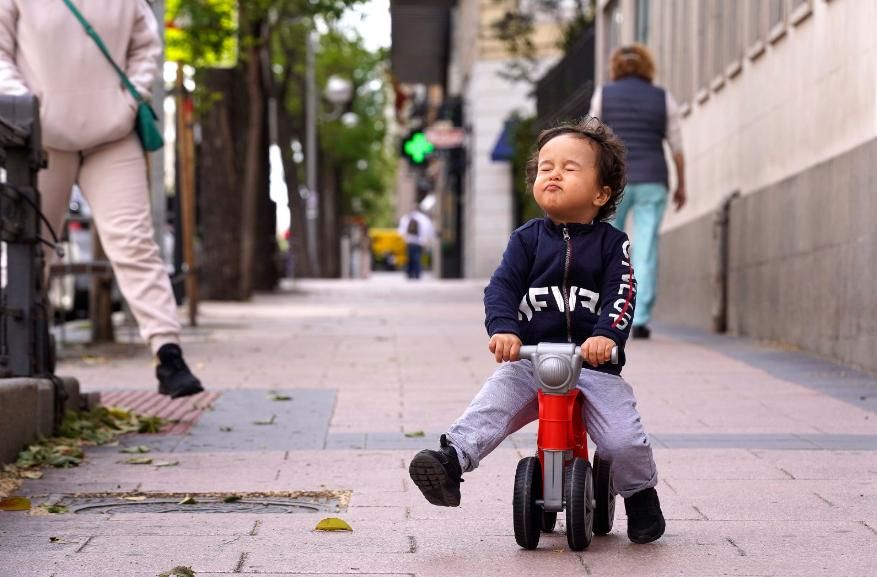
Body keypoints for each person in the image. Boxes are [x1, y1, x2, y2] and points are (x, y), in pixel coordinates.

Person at [408, 118, 665, 544]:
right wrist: (505, 330)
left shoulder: (611, 244)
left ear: (601, 193)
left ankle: (640, 496)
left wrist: (606, 337)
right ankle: (450, 461)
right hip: (532, 361)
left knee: (623, 441)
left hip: (592, 364)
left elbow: (622, 294)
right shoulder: (526, 240)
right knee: (491, 406)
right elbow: (502, 288)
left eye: (569, 168)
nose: (553, 174)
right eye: (546, 167)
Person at [0, 0, 203, 398]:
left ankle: (168, 354)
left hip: (112, 136)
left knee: (134, 244)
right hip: (38, 136)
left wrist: (131, 101)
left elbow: (147, 46)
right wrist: (23, 102)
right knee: (27, 247)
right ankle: (14, 347)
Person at [589, 44, 686, 339]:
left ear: (615, 67)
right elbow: (677, 145)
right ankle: (639, 317)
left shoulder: (603, 95)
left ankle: (606, 312)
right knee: (645, 250)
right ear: (647, 67)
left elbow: (591, 138)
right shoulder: (663, 98)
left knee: (606, 246)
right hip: (653, 179)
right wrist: (682, 183)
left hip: (614, 182)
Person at [397, 206, 434, 280]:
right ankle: (417, 273)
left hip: (409, 241)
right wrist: (426, 240)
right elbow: (429, 230)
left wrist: (405, 238)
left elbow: (400, 231)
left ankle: (410, 274)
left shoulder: (407, 217)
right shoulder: (423, 218)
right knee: (417, 258)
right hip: (419, 242)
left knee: (410, 258)